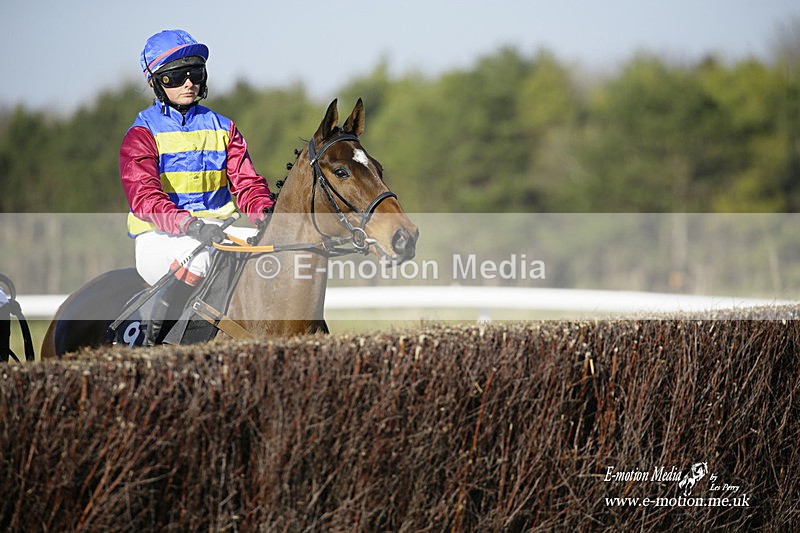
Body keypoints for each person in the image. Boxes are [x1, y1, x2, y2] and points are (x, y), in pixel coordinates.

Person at [121, 29, 274, 345]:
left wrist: (267, 215)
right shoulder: (141, 133)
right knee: (200, 260)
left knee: (272, 252)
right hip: (160, 237)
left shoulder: (224, 127)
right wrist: (190, 225)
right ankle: (157, 344)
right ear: (156, 82)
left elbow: (247, 183)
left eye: (195, 73)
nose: (189, 82)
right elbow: (145, 198)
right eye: (177, 76)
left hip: (218, 232)